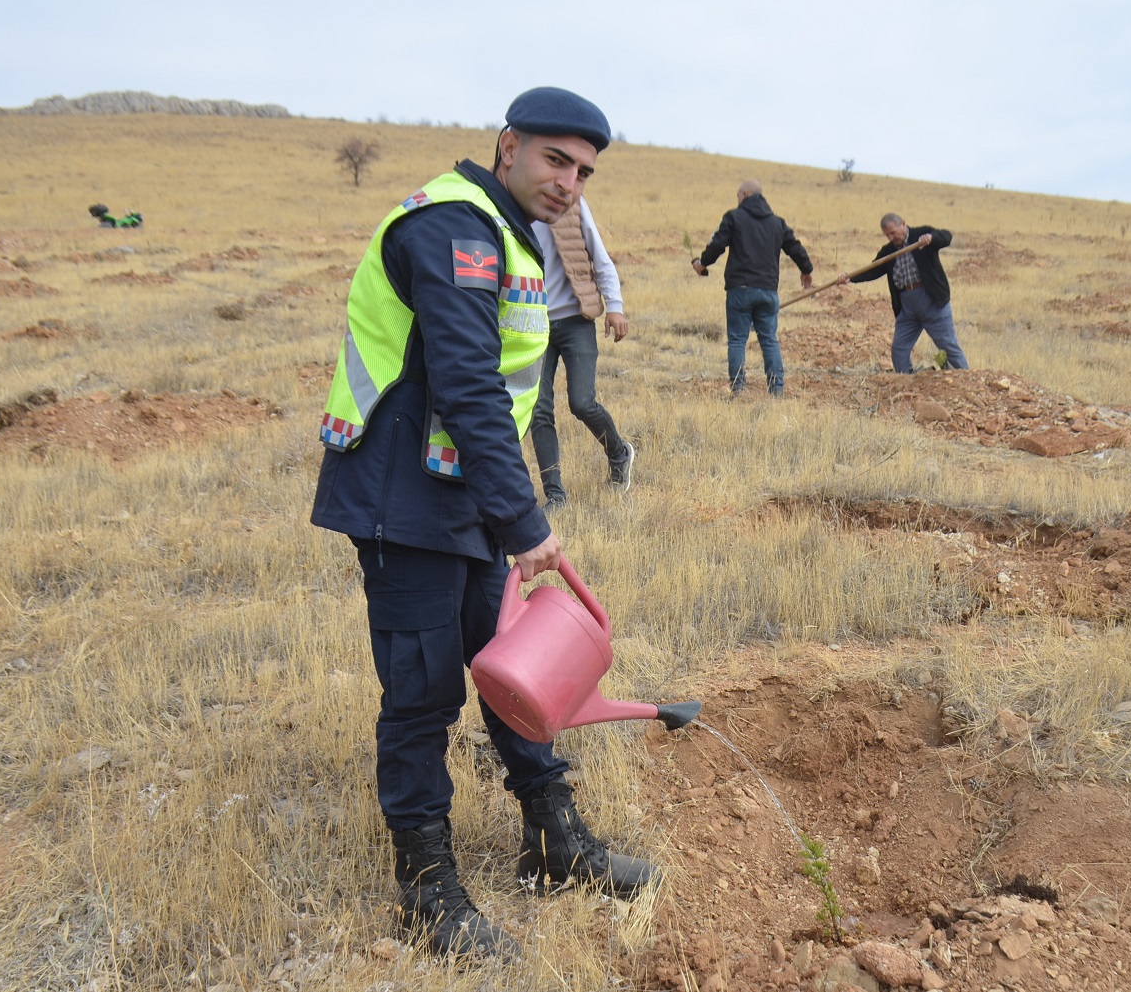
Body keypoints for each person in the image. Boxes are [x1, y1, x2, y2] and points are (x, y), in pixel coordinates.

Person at [310, 87, 655, 960]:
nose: (569, 181)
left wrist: (500, 512)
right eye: (554, 159)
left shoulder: (509, 233)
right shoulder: (453, 226)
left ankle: (553, 841)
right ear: (508, 145)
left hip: (457, 493)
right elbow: (466, 387)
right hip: (403, 498)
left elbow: (494, 392)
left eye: (583, 170)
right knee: (424, 694)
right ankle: (428, 893)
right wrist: (526, 520)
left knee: (516, 670)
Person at [530, 196, 634, 511]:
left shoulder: (572, 205)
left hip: (577, 320)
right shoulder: (510, 210)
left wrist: (614, 307)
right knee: (538, 411)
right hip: (534, 325)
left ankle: (619, 453)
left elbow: (600, 258)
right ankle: (555, 495)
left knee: (582, 402)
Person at [691, 180, 814, 396]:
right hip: (768, 291)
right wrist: (807, 269)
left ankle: (738, 389)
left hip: (740, 289)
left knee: (738, 339)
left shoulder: (734, 217)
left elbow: (718, 245)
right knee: (769, 339)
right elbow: (795, 247)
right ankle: (776, 390)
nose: (737, 200)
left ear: (745, 194)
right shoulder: (777, 223)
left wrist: (702, 264)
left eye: (738, 196)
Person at [838, 213, 969, 373]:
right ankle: (906, 381)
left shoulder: (921, 235)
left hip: (932, 302)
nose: (891, 237)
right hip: (907, 307)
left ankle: (967, 377)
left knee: (948, 345)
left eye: (893, 232)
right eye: (887, 235)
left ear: (903, 224)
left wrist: (931, 238)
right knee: (899, 349)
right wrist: (849, 278)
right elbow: (872, 270)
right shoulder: (888, 251)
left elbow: (946, 237)